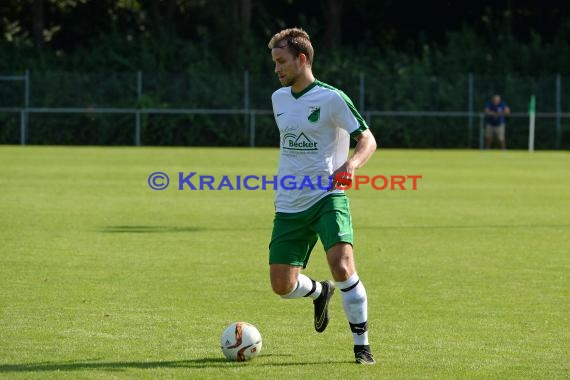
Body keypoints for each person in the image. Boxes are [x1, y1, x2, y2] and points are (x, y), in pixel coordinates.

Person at [267, 27, 378, 365]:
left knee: (342, 265)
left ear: (302, 59)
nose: (277, 69)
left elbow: (368, 139)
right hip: (289, 202)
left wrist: (352, 164)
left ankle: (362, 347)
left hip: (328, 196)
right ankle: (320, 291)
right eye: (274, 62)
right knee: (282, 286)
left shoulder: (332, 98)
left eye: (282, 61)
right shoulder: (278, 99)